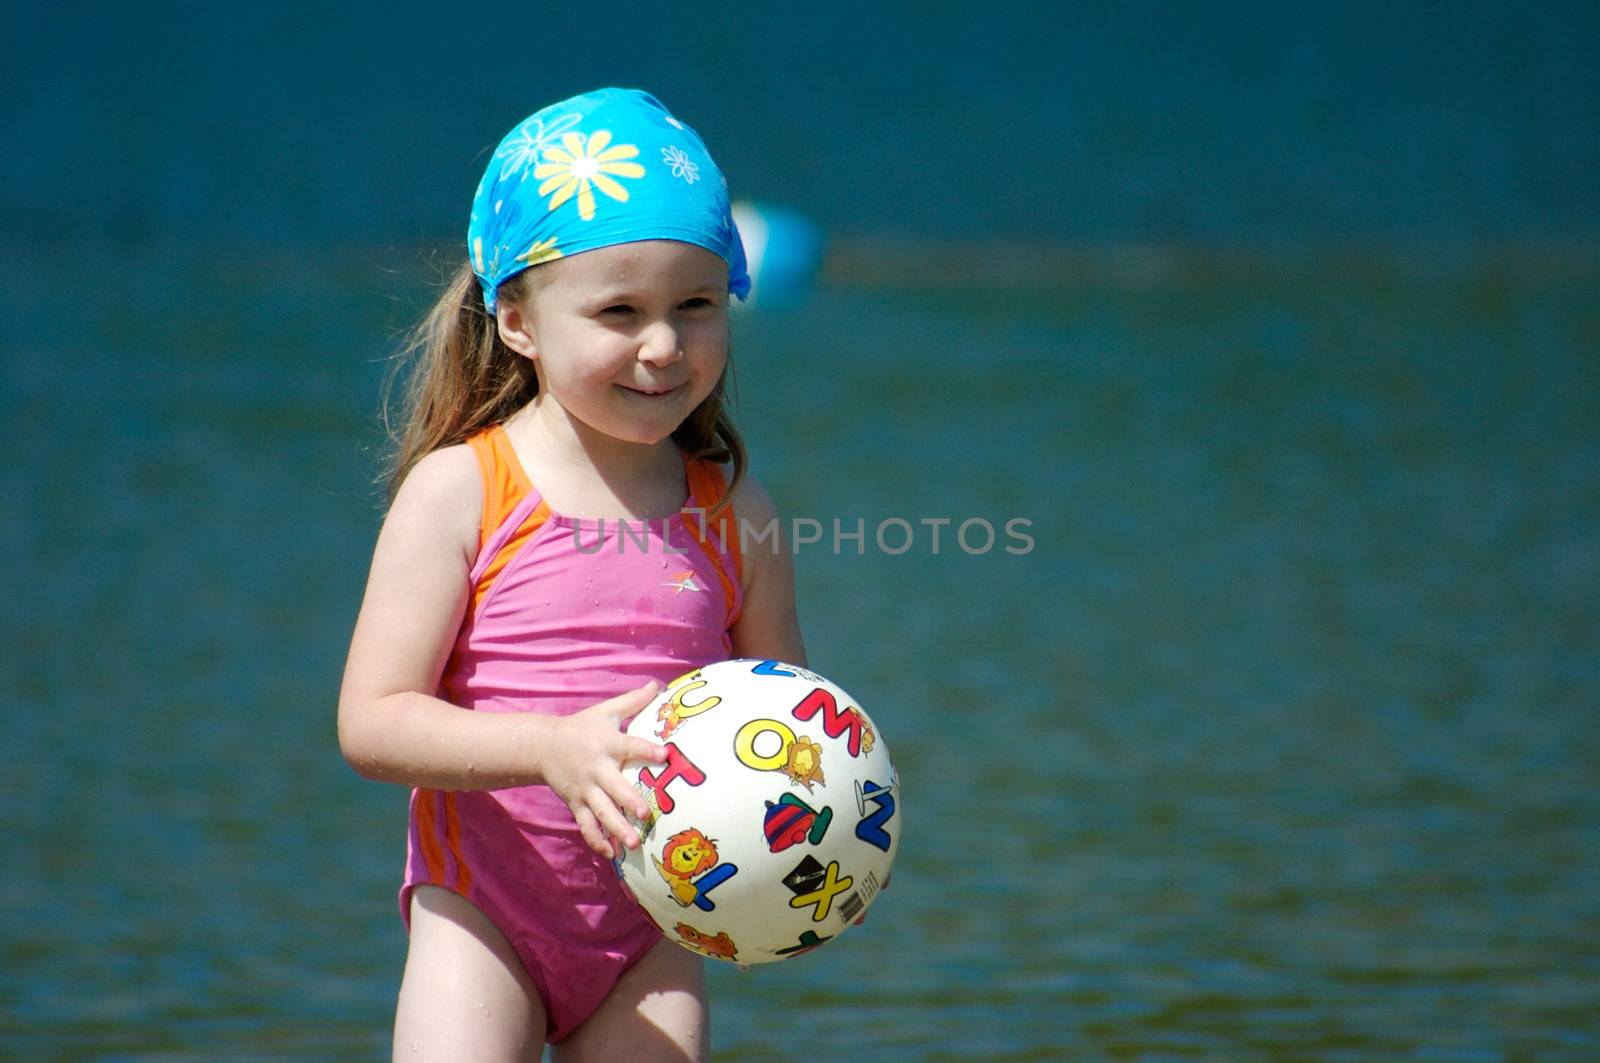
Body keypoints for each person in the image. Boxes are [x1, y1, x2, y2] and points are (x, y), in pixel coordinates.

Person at [338, 87, 805, 1062]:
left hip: (653, 928)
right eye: (618, 311)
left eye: (696, 305)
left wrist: (809, 848)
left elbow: (783, 729)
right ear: (516, 319)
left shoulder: (737, 515)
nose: (664, 344)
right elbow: (372, 720)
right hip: (484, 915)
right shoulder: (464, 490)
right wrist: (549, 748)